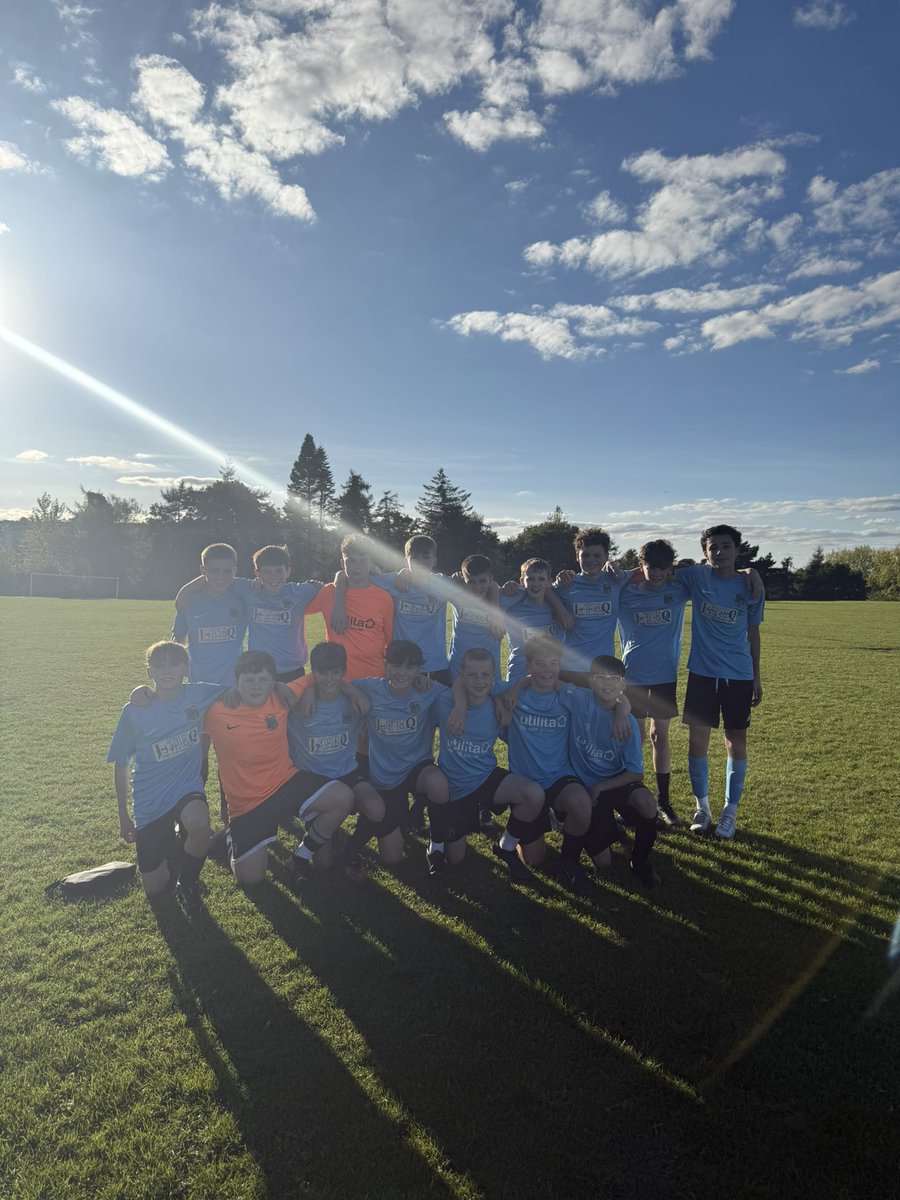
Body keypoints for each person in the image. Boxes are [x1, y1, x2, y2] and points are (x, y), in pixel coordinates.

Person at [203, 651, 353, 889]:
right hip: (247, 804)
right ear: (236, 682)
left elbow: (315, 677)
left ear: (273, 680)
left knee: (342, 797)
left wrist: (352, 692)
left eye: (263, 680)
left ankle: (300, 857)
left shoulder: (281, 697)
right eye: (248, 680)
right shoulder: (215, 710)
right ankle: (232, 834)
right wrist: (143, 695)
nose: (256, 687)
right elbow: (180, 701)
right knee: (251, 878)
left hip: (284, 782)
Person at [108, 641, 222, 913]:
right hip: (150, 798)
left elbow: (245, 688)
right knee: (155, 888)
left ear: (186, 668)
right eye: (159, 665)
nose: (167, 670)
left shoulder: (201, 694)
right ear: (149, 671)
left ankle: (188, 882)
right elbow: (121, 765)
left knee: (199, 824)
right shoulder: (134, 711)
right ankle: (173, 854)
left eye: (174, 664)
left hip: (186, 786)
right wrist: (124, 815)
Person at [423, 647, 545, 883]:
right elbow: (424, 700)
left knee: (533, 794)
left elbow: (530, 680)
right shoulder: (443, 700)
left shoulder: (498, 698)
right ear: (461, 675)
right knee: (455, 859)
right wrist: (459, 706)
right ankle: (434, 848)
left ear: (493, 676)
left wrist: (500, 700)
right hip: (455, 784)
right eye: (472, 675)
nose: (479, 681)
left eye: (486, 675)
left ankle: (506, 847)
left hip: (485, 776)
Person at [676, 525, 764, 839]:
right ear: (705, 552)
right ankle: (703, 808)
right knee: (697, 744)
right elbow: (655, 569)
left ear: (736, 550)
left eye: (725, 547)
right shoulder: (697, 576)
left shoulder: (751, 584)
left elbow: (753, 633)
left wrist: (756, 676)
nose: (719, 552)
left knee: (735, 744)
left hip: (739, 676)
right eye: (713, 548)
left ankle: (730, 810)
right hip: (702, 674)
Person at [340, 640, 449, 869]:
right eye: (396, 666)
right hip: (384, 776)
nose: (402, 673)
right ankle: (398, 818)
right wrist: (353, 692)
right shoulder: (370, 688)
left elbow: (459, 690)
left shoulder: (428, 690)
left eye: (410, 668)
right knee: (392, 858)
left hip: (416, 767)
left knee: (437, 783)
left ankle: (436, 847)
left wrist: (458, 708)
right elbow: (336, 683)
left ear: (419, 669)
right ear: (386, 665)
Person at [499, 636, 595, 894]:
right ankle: (534, 820)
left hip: (559, 777)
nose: (547, 670)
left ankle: (569, 860)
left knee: (581, 803)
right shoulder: (511, 695)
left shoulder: (568, 695)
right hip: (527, 785)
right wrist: (515, 688)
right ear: (528, 665)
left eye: (553, 663)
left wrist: (622, 711)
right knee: (534, 861)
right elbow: (473, 681)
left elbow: (607, 698)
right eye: (540, 664)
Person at [559, 656, 661, 887]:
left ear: (623, 684)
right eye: (601, 678)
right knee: (604, 862)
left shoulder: (629, 723)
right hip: (584, 787)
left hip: (613, 783)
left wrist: (601, 786)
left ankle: (640, 862)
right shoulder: (578, 699)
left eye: (614, 679)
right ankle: (603, 829)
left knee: (647, 803)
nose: (607, 683)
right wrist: (514, 691)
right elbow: (544, 681)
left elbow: (636, 773)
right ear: (591, 682)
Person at [287, 641, 385, 879]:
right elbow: (277, 691)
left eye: (336, 672)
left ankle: (349, 852)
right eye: (323, 672)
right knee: (322, 864)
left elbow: (376, 696)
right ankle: (328, 832)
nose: (330, 678)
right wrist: (308, 688)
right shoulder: (299, 704)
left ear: (343, 671)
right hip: (313, 781)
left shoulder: (354, 700)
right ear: (314, 672)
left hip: (347, 773)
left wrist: (351, 690)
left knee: (377, 809)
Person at [617, 540, 690, 828]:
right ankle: (629, 802)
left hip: (664, 675)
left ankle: (664, 803)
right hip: (632, 675)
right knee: (633, 740)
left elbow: (704, 572)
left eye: (663, 568)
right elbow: (611, 579)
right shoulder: (626, 594)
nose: (657, 574)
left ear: (670, 567)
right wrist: (628, 571)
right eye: (651, 567)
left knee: (659, 736)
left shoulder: (678, 590)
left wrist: (751, 572)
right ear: (641, 564)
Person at [176, 544, 320, 682]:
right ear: (258, 573)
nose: (273, 576)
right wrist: (183, 594)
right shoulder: (248, 591)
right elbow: (218, 576)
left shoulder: (300, 592)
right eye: (267, 571)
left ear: (288, 572)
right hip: (258, 671)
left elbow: (330, 589)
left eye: (278, 571)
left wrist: (336, 580)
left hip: (293, 671)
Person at [305, 534, 394, 679]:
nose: (357, 566)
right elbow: (293, 608)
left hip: (374, 676)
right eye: (351, 561)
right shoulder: (328, 593)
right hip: (337, 681)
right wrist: (304, 590)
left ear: (372, 563)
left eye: (363, 560)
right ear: (342, 563)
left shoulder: (384, 598)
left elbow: (389, 640)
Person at [172, 543, 248, 686]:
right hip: (198, 685)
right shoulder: (189, 601)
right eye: (214, 571)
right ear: (203, 570)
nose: (221, 577)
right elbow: (176, 641)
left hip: (232, 687)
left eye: (227, 571)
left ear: (235, 571)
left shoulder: (242, 600)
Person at [554, 527, 628, 673]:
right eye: (586, 555)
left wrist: (675, 565)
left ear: (606, 556)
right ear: (577, 556)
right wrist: (561, 611)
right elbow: (543, 590)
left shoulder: (616, 579)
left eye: (597, 555)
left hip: (603, 668)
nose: (591, 560)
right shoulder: (567, 582)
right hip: (570, 668)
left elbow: (646, 570)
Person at [501, 557, 571, 683]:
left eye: (541, 579)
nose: (536, 583)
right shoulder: (512, 605)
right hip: (518, 675)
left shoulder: (558, 608)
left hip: (548, 677)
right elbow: (489, 592)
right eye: (531, 579)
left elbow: (568, 623)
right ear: (522, 581)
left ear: (549, 582)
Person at [447, 555, 507, 684]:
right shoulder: (457, 596)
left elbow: (541, 590)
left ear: (491, 579)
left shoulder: (503, 598)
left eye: (482, 581)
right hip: (458, 672)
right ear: (463, 580)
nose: (477, 587)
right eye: (471, 582)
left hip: (489, 675)